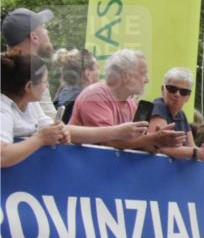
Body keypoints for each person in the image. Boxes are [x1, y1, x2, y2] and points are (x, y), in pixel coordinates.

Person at [1, 51, 147, 167]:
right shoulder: (3, 109)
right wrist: (39, 139)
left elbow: (59, 129)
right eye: (44, 82)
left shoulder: (32, 105)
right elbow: (2, 155)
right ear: (28, 87)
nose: (47, 87)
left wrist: (61, 131)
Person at [69, 49, 186, 153]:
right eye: (143, 74)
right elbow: (108, 142)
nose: (147, 80)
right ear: (126, 76)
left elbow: (136, 143)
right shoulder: (95, 96)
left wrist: (159, 141)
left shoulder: (130, 103)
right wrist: (153, 139)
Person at [146, 67, 204, 163]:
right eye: (172, 89)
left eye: (184, 92)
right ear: (163, 89)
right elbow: (159, 147)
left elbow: (191, 146)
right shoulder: (158, 106)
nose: (177, 94)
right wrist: (196, 153)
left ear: (188, 96)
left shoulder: (181, 114)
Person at [1, 7, 58, 117]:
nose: (47, 31)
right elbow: (51, 122)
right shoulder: (32, 70)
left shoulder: (6, 67)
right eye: (43, 27)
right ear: (34, 37)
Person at [52, 48, 99, 123]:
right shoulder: (88, 102)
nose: (98, 72)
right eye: (97, 68)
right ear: (88, 74)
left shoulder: (61, 95)